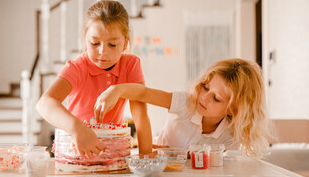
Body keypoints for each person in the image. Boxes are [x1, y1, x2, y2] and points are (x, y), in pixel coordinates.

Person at [36, 0, 152, 158]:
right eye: (95, 43)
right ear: (85, 39)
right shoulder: (77, 68)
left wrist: (147, 158)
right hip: (76, 154)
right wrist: (77, 128)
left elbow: (141, 115)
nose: (102, 52)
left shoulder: (130, 65)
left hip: (112, 155)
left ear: (125, 44)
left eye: (112, 44)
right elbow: (44, 104)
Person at [94, 58, 273, 157]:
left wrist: (170, 151)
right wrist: (116, 90)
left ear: (232, 109)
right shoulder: (185, 102)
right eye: (205, 87)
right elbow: (143, 93)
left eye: (216, 98)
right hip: (160, 170)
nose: (204, 97)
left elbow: (212, 165)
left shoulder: (231, 135)